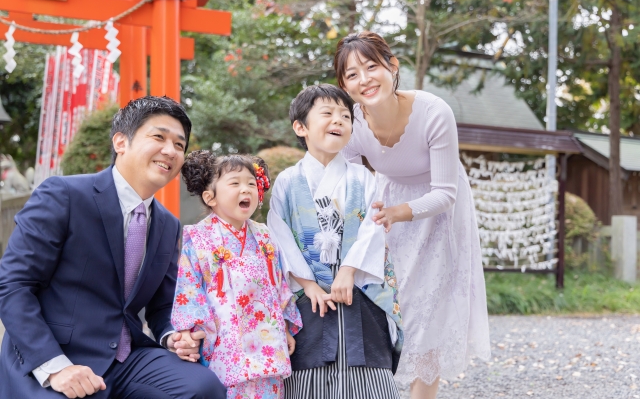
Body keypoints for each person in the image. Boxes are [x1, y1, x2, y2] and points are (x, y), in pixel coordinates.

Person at [0, 96, 227, 399]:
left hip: (127, 358)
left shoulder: (168, 225)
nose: (170, 150)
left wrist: (173, 336)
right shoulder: (63, 195)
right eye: (159, 137)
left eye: (179, 144)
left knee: (203, 388)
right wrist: (55, 367)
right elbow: (13, 284)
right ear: (121, 142)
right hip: (55, 353)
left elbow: (163, 306)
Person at [333, 31, 491, 399]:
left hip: (438, 207)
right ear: (343, 85)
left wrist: (398, 213)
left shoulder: (434, 111)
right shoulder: (351, 122)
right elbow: (353, 185)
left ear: (393, 66)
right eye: (352, 74)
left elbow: (446, 192)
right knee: (396, 297)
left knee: (430, 304)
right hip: (388, 202)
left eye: (371, 67)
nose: (364, 80)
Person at [267, 84, 403, 398]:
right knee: (309, 365)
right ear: (300, 127)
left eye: (345, 116)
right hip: (308, 294)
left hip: (357, 286)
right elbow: (279, 234)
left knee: (367, 365)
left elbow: (373, 227)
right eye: (327, 113)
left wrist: (349, 270)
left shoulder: (363, 177)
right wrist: (308, 284)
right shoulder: (288, 180)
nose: (338, 121)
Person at [171, 151, 303, 398]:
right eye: (235, 183)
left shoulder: (264, 235)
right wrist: (188, 331)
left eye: (251, 184)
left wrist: (285, 326)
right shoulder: (199, 238)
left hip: (266, 338)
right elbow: (188, 289)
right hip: (225, 340)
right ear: (210, 197)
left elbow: (279, 284)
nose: (246, 190)